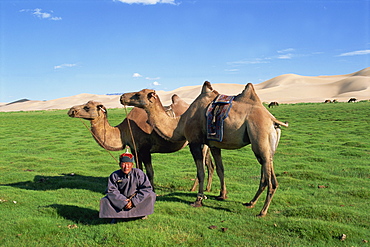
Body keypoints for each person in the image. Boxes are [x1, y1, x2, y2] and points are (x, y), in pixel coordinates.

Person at [99, 153, 156, 223]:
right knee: (105, 200)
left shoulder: (139, 173)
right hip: (120, 200)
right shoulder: (114, 175)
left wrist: (133, 201)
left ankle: (142, 213)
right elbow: (111, 190)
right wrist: (123, 202)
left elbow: (146, 188)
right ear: (120, 164)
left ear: (132, 165)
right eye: (123, 164)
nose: (126, 167)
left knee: (151, 195)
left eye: (128, 164)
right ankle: (115, 215)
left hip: (135, 197)